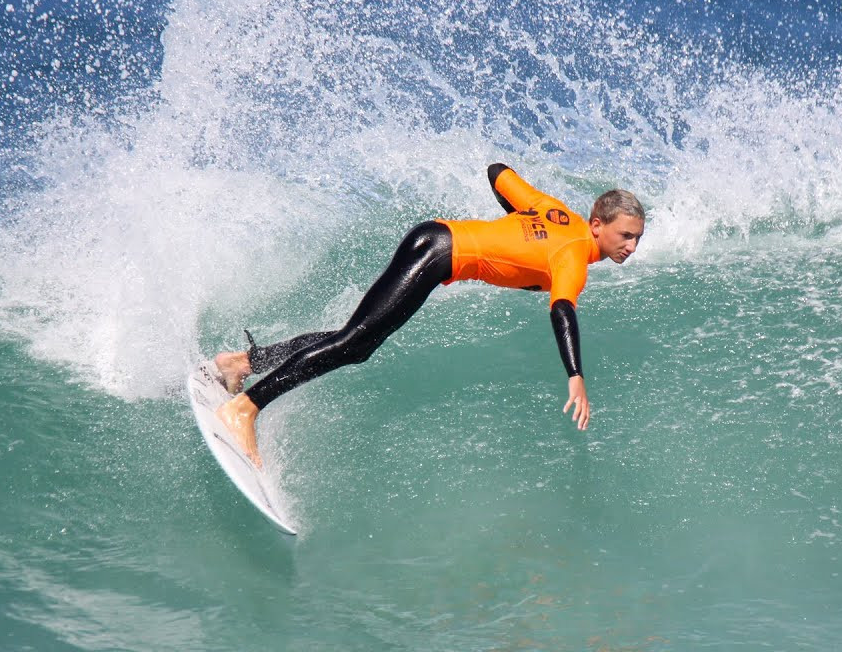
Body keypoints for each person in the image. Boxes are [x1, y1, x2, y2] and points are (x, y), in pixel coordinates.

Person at [214, 163, 645, 467]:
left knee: (354, 337)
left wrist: (518, 223)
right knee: (355, 344)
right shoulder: (574, 255)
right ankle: (246, 408)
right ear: (597, 225)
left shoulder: (554, 213)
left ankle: (242, 363)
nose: (630, 246)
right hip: (439, 253)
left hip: (433, 240)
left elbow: (499, 173)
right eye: (625, 235)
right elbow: (564, 309)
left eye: (637, 238)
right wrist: (576, 375)